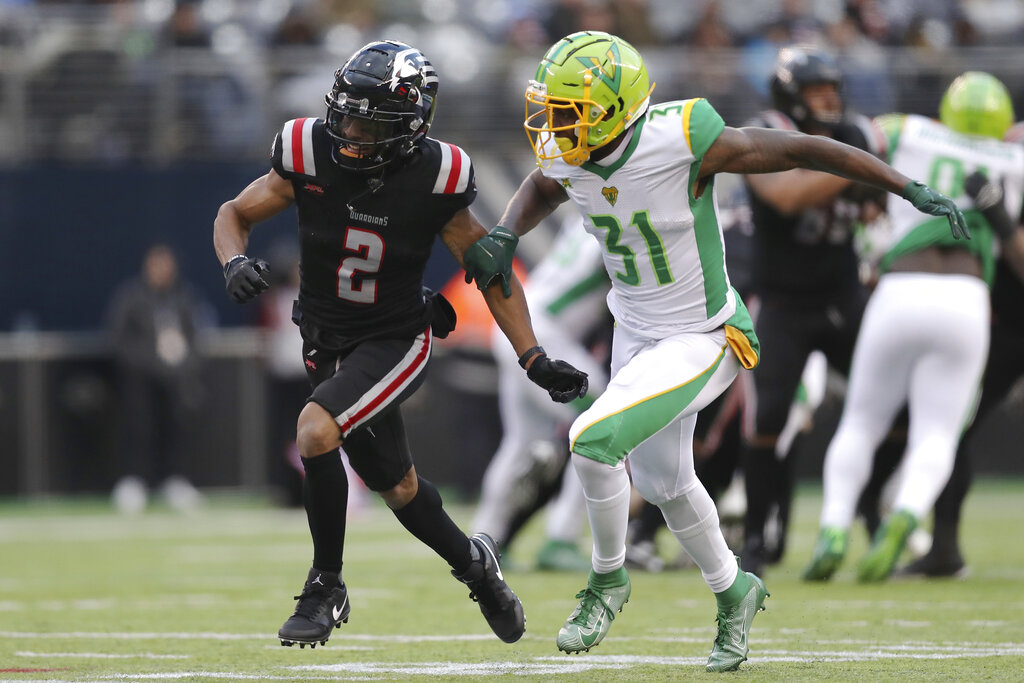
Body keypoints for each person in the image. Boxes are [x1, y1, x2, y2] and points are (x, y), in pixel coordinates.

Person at [462, 30, 966, 672]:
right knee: (665, 484)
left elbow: (800, 149)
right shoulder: (571, 155)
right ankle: (735, 592)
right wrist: (506, 230)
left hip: (704, 334)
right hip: (635, 333)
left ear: (615, 108)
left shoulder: (682, 135)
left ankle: (607, 581)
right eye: (552, 110)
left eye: (568, 111)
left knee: (591, 441)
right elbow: (542, 183)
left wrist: (902, 185)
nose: (554, 126)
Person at [212, 40, 589, 649]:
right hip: (323, 337)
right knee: (400, 488)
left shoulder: (437, 176)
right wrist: (234, 261)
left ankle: (325, 586)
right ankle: (477, 568)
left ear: (409, 125)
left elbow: (488, 268)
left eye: (368, 121)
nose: (349, 132)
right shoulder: (310, 150)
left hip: (395, 338)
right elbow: (234, 212)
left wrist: (533, 356)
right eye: (346, 114)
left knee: (314, 430)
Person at [804, 71, 1024, 584]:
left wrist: (866, 198)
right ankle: (905, 516)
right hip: (967, 299)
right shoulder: (1013, 161)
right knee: (938, 434)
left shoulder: (908, 130)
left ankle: (833, 528)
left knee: (861, 421)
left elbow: (851, 142)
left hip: (899, 288)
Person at [737, 46, 891, 577]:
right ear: (789, 96)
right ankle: (755, 541)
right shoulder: (767, 129)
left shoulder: (858, 133)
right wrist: (854, 164)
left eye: (833, 87)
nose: (828, 97)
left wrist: (871, 187)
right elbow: (783, 195)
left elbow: (877, 207)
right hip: (782, 301)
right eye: (814, 89)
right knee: (769, 420)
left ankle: (874, 519)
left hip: (843, 297)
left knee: (890, 411)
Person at [900, 119, 1024, 578]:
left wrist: (998, 215)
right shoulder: (1002, 155)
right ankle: (945, 548)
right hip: (1005, 326)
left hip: (1008, 322)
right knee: (952, 427)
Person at [471, 214, 611, 572]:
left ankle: (483, 541)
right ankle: (562, 537)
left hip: (515, 325)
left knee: (520, 442)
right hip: (542, 335)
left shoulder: (585, 218)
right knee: (605, 428)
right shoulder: (612, 226)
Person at [107, 243, 208, 514]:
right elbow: (121, 341)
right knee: (139, 429)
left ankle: (176, 481)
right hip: (140, 382)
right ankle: (134, 483)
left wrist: (181, 366)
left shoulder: (184, 298)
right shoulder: (131, 297)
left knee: (177, 430)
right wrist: (152, 364)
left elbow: (195, 339)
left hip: (176, 383)